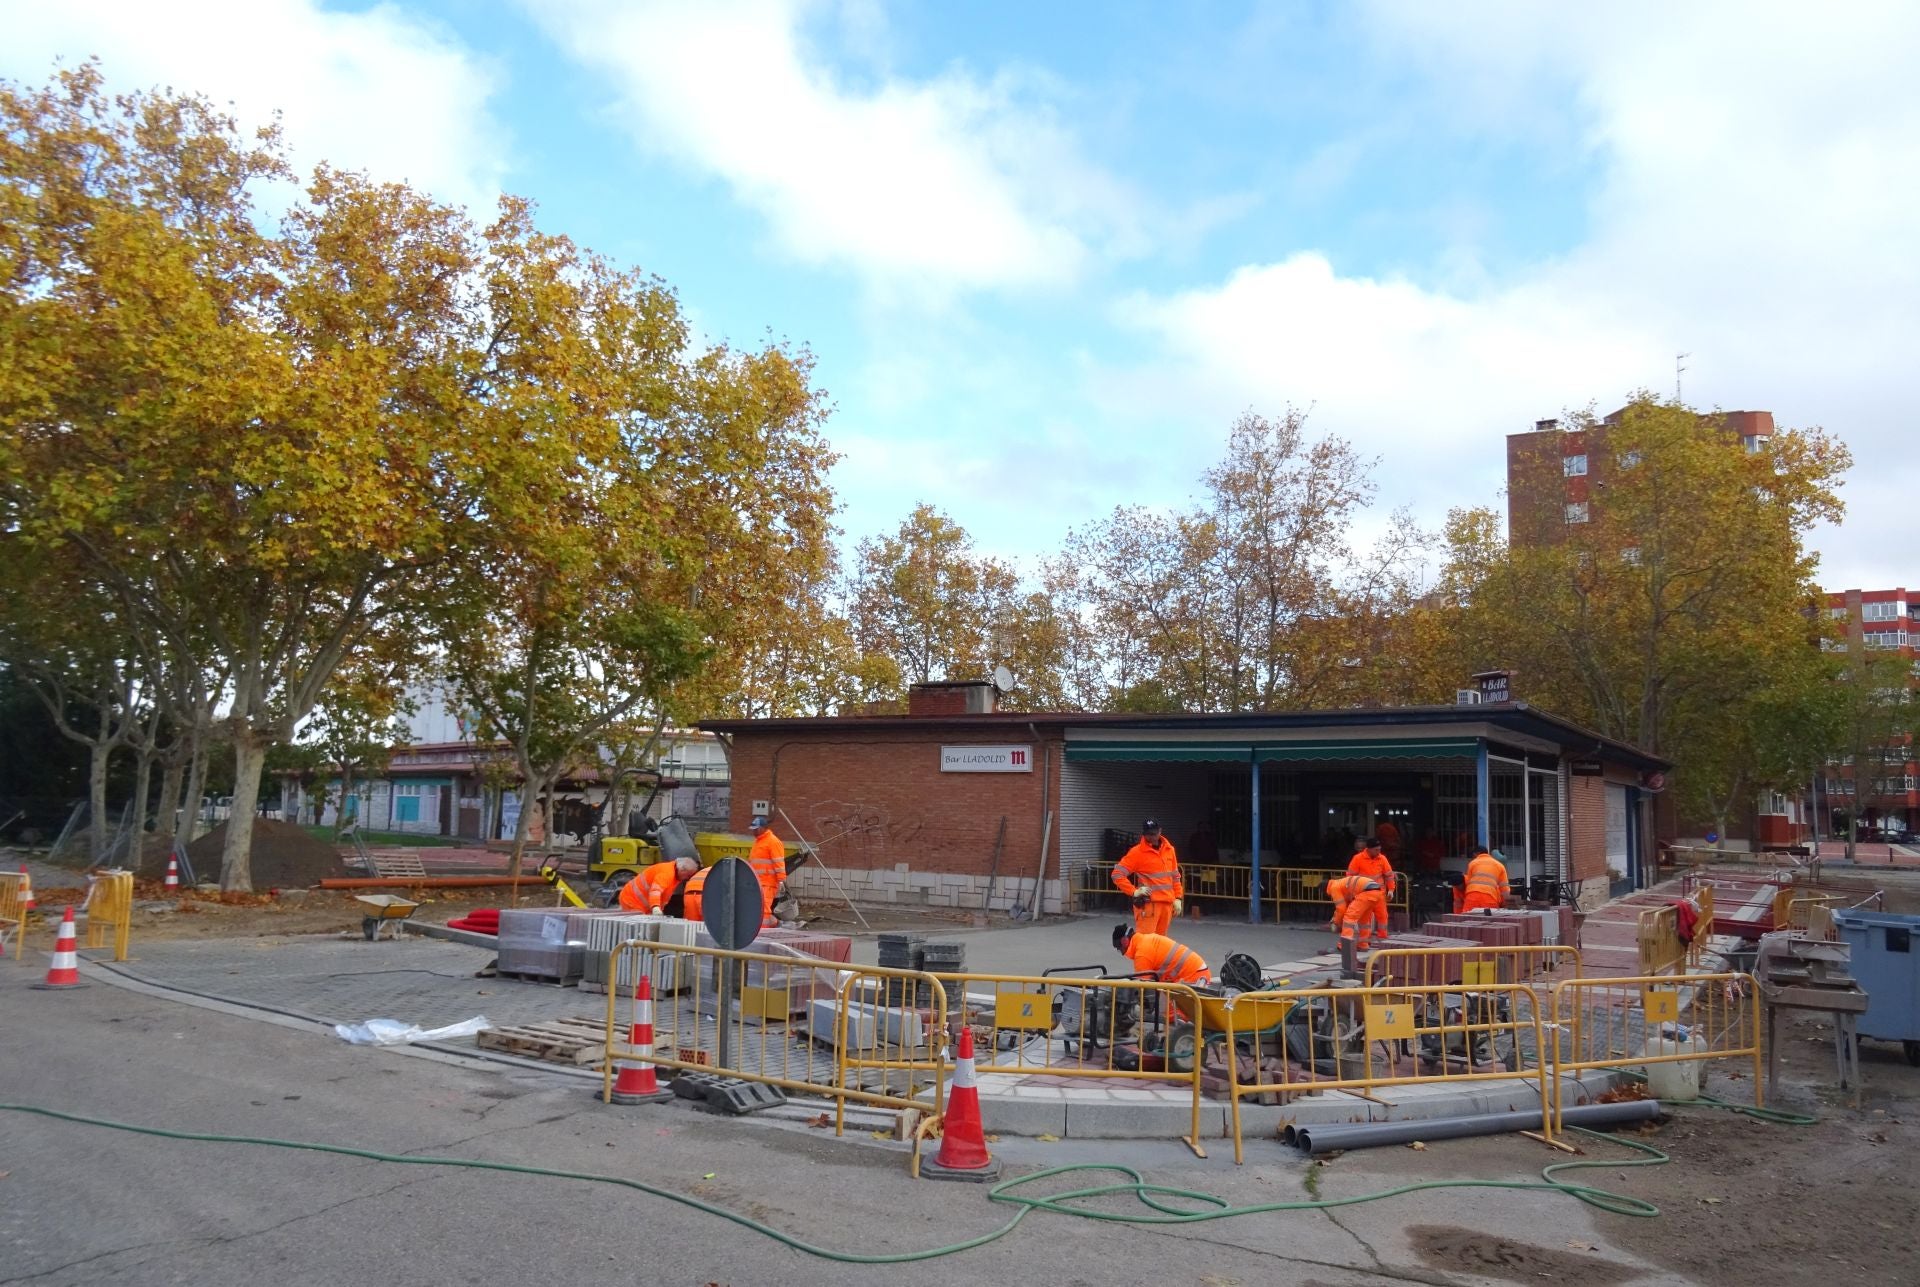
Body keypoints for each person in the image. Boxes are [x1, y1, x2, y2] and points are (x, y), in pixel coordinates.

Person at [1111, 819, 1182, 936]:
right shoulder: (1137, 852)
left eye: (1153, 834)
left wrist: (1178, 898)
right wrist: (1134, 891)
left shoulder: (1170, 850)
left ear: (1160, 831)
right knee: (1146, 943)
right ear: (1144, 834)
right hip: (1149, 906)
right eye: (1148, 834)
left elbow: (1175, 876)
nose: (1151, 837)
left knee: (1161, 944)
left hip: (1166, 904)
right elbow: (1117, 874)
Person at [1112, 923, 1211, 985]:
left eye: (1119, 948)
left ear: (1124, 942)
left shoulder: (1141, 954)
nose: (1121, 953)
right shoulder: (1144, 941)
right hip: (1198, 972)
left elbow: (1143, 986)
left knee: (1170, 1012)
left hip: (1194, 977)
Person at [1346, 836, 1395, 943]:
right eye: (1376, 850)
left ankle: (1382, 938)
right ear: (1368, 849)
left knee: (1382, 917)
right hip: (1364, 895)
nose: (1379, 852)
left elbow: (1389, 875)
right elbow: (1350, 877)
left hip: (1379, 895)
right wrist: (1352, 893)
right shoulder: (1358, 859)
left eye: (1380, 849)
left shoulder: (1382, 858)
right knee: (1365, 920)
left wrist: (1391, 890)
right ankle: (1364, 941)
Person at [617, 855, 699, 915]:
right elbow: (656, 891)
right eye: (688, 875)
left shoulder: (674, 876)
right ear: (682, 870)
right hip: (631, 900)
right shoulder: (667, 873)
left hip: (639, 902)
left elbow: (662, 896)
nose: (687, 878)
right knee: (638, 927)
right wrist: (655, 907)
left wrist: (658, 908)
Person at [747, 815, 787, 928]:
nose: (753, 831)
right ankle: (763, 929)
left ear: (763, 828)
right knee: (757, 909)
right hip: (758, 883)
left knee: (763, 911)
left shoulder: (773, 842)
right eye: (753, 829)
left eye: (756, 829)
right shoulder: (758, 842)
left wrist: (781, 881)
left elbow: (779, 863)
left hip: (767, 883)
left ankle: (763, 933)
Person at [1462, 846, 1511, 912]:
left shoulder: (1473, 863)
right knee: (1489, 920)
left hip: (1472, 896)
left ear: (1477, 853)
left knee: (1466, 918)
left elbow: (1468, 882)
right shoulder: (1500, 865)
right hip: (1489, 897)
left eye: (1473, 855)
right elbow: (1505, 889)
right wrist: (1506, 905)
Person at [1325, 873, 1354, 941]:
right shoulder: (1338, 884)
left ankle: (1344, 943)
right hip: (1367, 892)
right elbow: (1342, 907)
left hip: (1362, 895)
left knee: (1349, 918)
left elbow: (1341, 908)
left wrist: (1336, 922)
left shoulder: (1334, 888)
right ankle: (1363, 943)